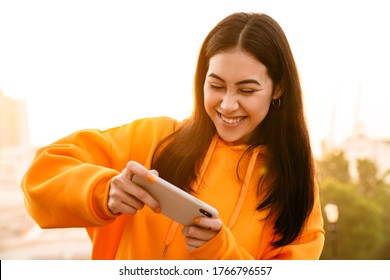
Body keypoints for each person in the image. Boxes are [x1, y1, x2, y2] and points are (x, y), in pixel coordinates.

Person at [21, 12, 325, 260]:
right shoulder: (154, 138)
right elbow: (41, 174)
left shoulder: (294, 184)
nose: (228, 104)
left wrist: (222, 254)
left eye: (247, 90)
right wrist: (103, 191)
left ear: (279, 88)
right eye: (216, 85)